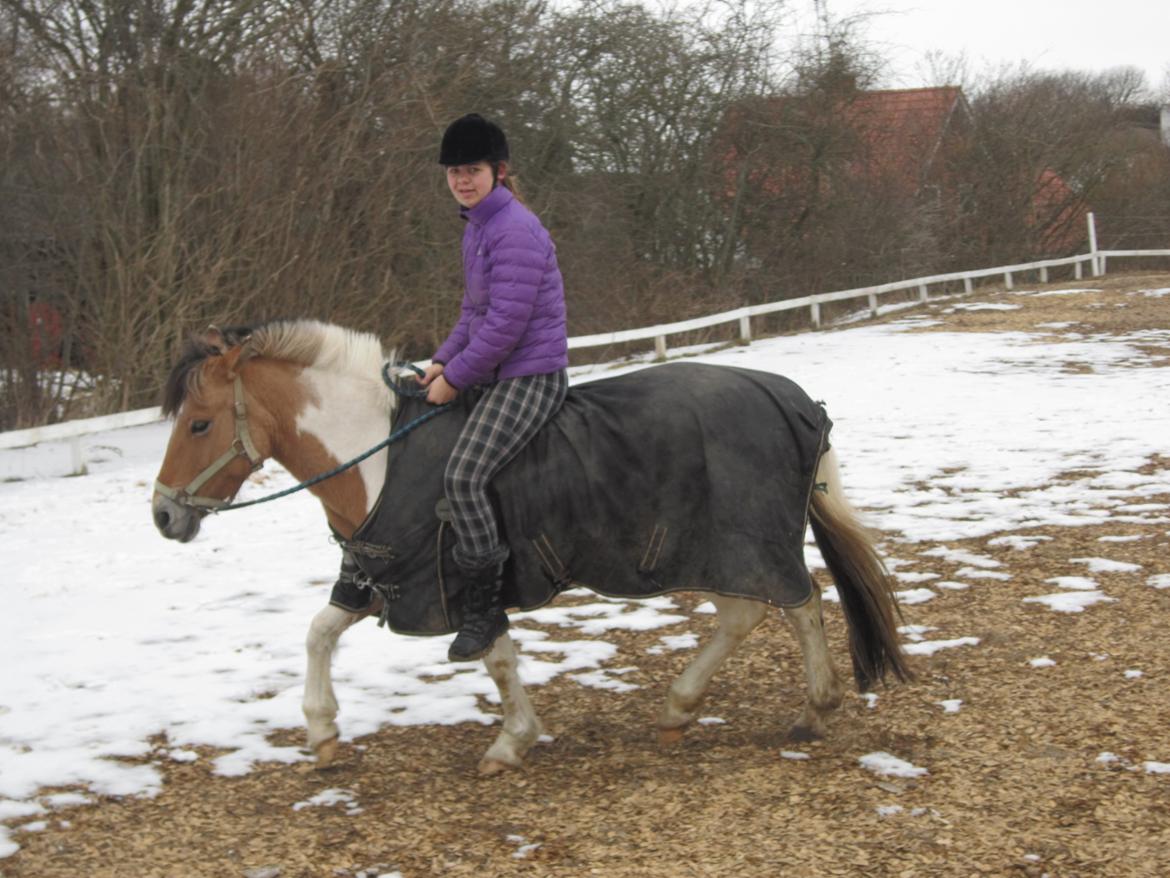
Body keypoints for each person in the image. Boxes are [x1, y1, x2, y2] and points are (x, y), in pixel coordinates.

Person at [419, 113, 570, 662]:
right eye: (455, 171)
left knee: (463, 475)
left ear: (499, 172)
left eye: (473, 170)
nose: (463, 179)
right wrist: (441, 360)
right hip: (496, 368)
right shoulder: (477, 227)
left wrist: (457, 378)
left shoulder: (515, 229)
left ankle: (486, 608)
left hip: (532, 374)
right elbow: (473, 312)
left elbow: (506, 325)